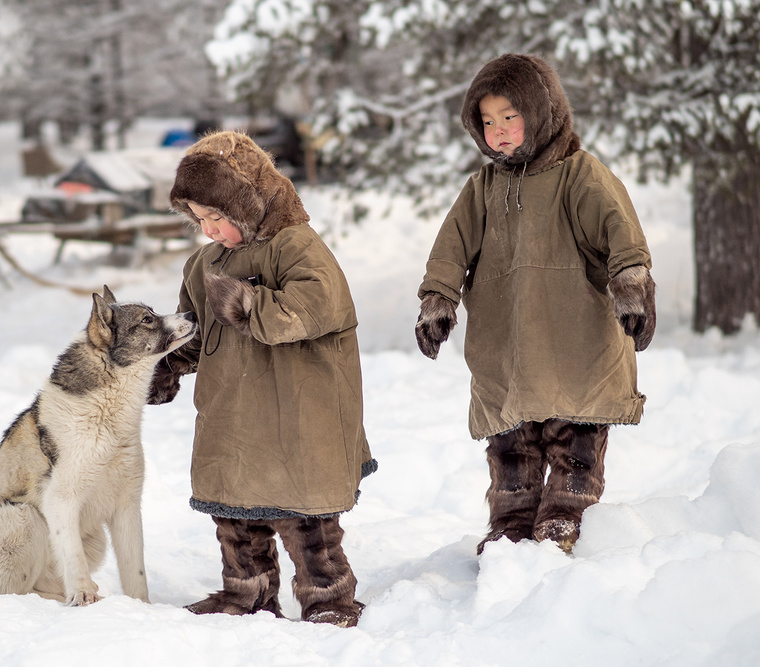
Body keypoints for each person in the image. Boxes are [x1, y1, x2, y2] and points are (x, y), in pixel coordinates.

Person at [414, 53, 656, 555]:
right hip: (507, 348)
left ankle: (567, 511)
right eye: (487, 121)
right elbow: (450, 248)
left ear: (541, 112)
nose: (498, 131)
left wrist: (631, 282)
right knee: (511, 445)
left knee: (575, 443)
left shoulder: (579, 174)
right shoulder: (481, 189)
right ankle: (512, 520)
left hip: (574, 343)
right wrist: (437, 299)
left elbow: (619, 230)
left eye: (510, 116)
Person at [149, 130, 376, 627]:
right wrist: (165, 363)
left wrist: (252, 305)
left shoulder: (296, 245)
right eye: (199, 219)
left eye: (218, 217)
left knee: (306, 519)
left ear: (248, 203)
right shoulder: (203, 264)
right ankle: (246, 593)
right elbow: (194, 329)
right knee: (234, 515)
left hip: (297, 409)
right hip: (231, 413)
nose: (209, 230)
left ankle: (328, 597)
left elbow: (320, 305)